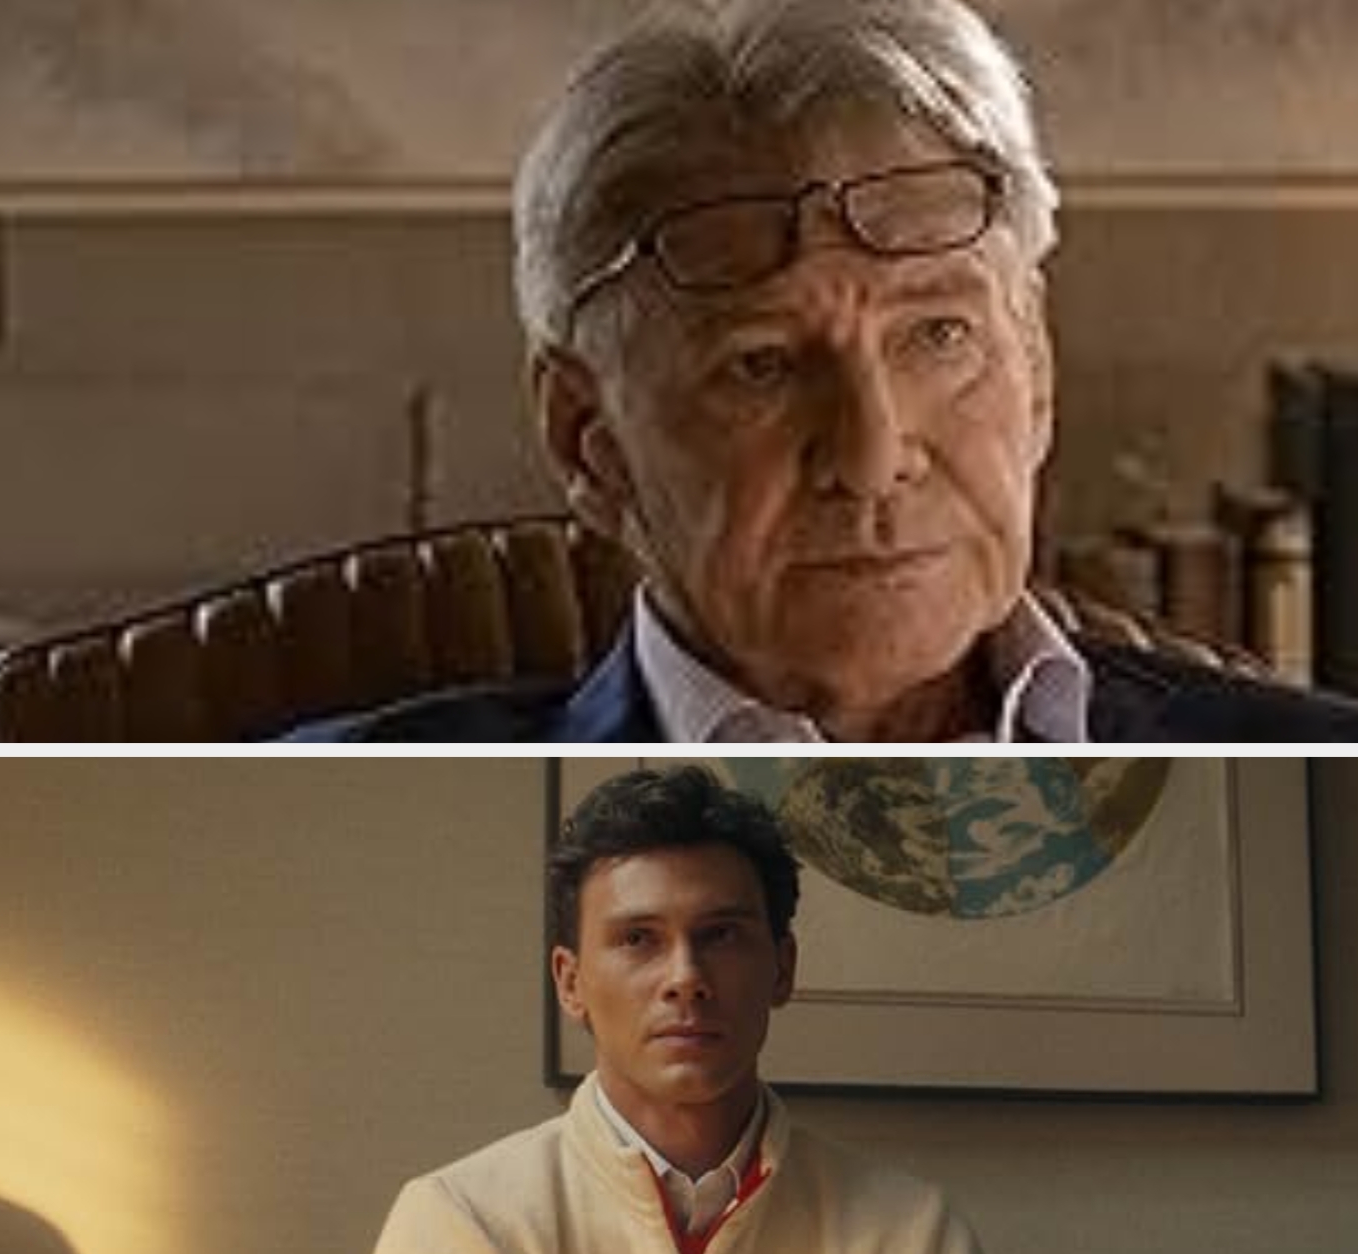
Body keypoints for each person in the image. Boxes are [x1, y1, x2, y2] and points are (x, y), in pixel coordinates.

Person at [315, 0, 1358, 748]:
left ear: (1034, 369)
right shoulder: (324, 830)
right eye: (760, 365)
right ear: (587, 442)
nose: (870, 459)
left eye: (938, 336)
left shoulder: (1318, 796)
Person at [344, 766, 1034, 1254]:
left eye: (722, 935)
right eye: (638, 939)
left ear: (781, 968)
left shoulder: (911, 1236)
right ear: (570, 982)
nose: (685, 977)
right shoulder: (461, 1229)